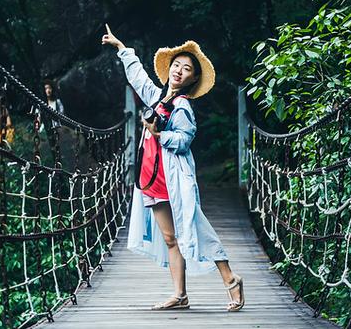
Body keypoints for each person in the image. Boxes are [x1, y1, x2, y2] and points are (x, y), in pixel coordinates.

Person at [101, 24, 245, 312]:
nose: (179, 70)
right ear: (169, 69)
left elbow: (184, 139)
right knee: (169, 238)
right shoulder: (157, 96)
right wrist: (121, 48)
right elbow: (138, 76)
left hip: (174, 178)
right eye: (177, 65)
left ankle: (232, 279)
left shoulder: (182, 106)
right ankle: (180, 295)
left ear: (192, 79)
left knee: (197, 229)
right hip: (150, 178)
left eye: (187, 69)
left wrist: (158, 134)